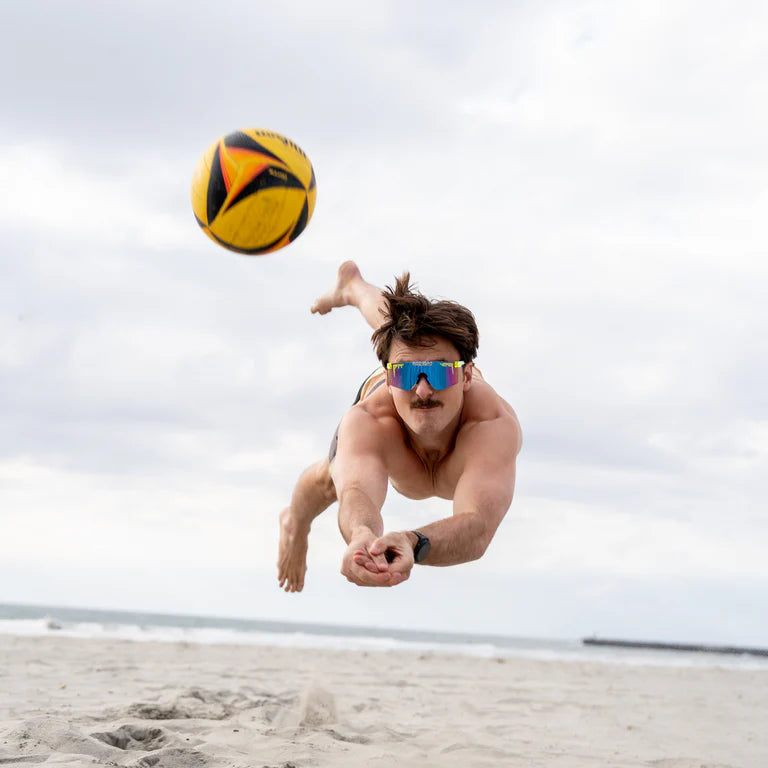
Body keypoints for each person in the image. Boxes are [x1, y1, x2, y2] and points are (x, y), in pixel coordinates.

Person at [277, 261, 522, 592]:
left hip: (453, 393)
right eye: (405, 375)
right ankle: (294, 522)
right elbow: (357, 492)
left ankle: (352, 287)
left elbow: (478, 526)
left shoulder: (491, 424)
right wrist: (362, 534)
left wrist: (412, 541)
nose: (422, 390)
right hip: (384, 398)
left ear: (465, 376)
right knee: (329, 480)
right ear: (391, 380)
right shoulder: (371, 420)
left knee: (406, 333)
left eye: (439, 373)